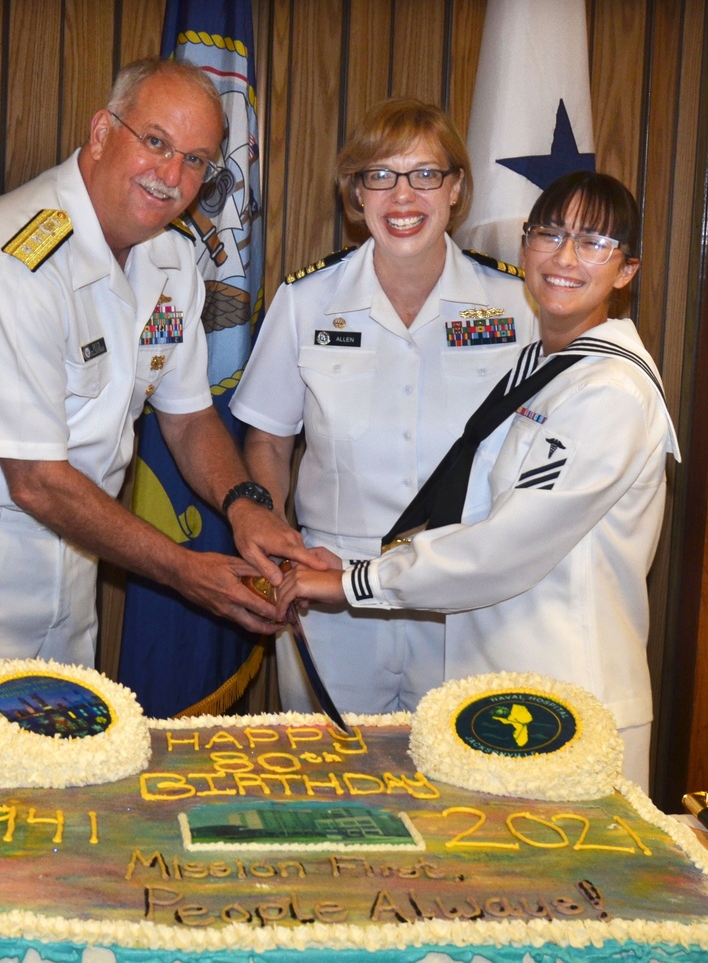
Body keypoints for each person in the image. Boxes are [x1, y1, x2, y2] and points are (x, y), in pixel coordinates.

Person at [0, 58, 319, 773]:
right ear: (103, 131)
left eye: (196, 160)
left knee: (52, 809)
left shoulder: (170, 259)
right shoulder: (14, 259)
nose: (171, 174)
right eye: (156, 142)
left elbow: (190, 419)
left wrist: (247, 503)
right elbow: (36, 480)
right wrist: (186, 571)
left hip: (72, 559)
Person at [274, 171, 680, 788]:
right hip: (503, 695)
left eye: (594, 243)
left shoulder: (609, 391)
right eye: (550, 235)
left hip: (571, 708)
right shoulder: (540, 368)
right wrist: (362, 557)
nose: (565, 258)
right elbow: (469, 503)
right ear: (525, 248)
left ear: (626, 271)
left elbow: (504, 546)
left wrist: (353, 581)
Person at [229, 98, 537, 714]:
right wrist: (279, 537)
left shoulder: (517, 305)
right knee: (327, 789)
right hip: (331, 592)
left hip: (463, 595)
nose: (403, 196)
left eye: (425, 174)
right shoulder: (306, 301)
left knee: (458, 788)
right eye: (380, 175)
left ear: (456, 189)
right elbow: (268, 438)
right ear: (356, 192)